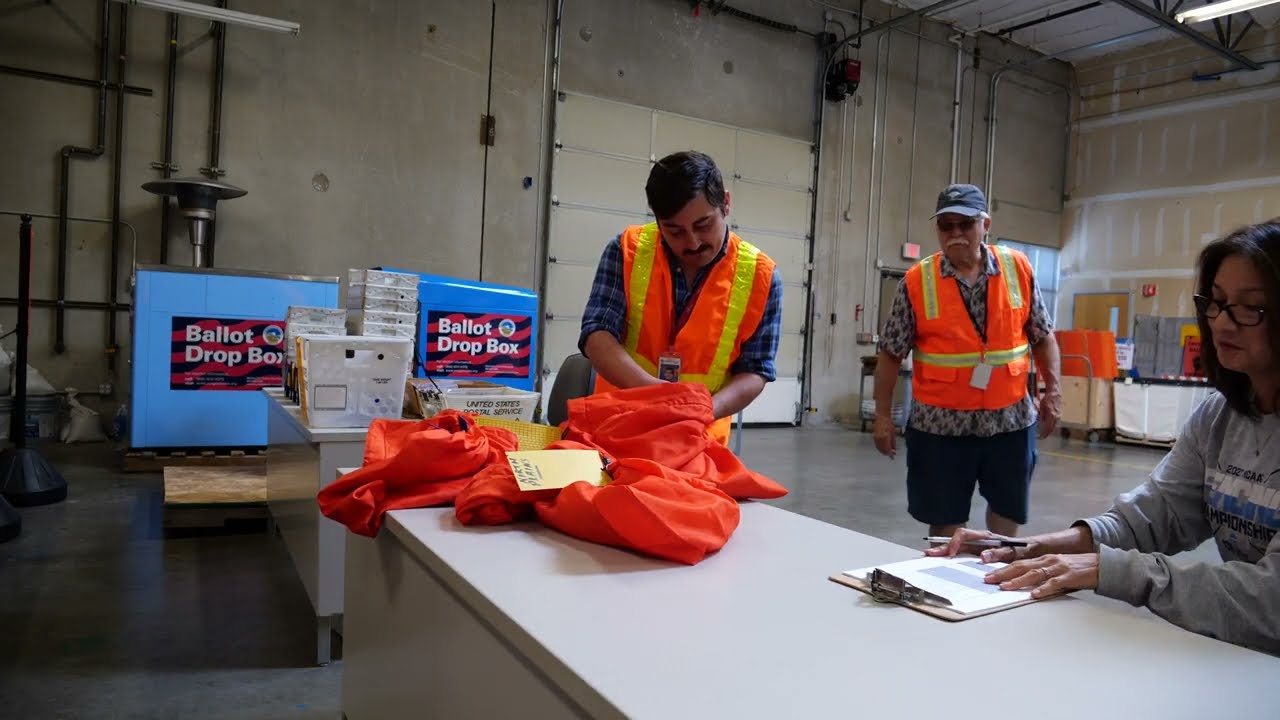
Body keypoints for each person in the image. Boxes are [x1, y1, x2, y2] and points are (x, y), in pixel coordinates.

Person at [927, 219, 1280, 656]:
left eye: (1250, 309)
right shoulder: (1218, 416)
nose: (1222, 325)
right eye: (1217, 303)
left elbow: (1271, 602)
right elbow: (1153, 516)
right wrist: (1033, 547)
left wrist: (1109, 570)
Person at [873, 184, 1062, 539]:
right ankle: (944, 578)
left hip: (1010, 421)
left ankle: (997, 575)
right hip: (940, 427)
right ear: (938, 230)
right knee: (944, 521)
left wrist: (1054, 392)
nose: (956, 233)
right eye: (947, 226)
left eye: (966, 224)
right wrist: (883, 417)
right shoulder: (917, 281)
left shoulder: (1017, 268)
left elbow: (1042, 335)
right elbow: (890, 354)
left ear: (985, 224)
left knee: (1008, 512)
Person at [578, 150, 783, 446]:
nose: (693, 242)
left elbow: (756, 370)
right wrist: (656, 395)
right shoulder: (626, 250)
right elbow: (596, 335)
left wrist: (702, 411)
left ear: (725, 203)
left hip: (700, 439)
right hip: (616, 429)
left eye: (703, 225)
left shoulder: (761, 276)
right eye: (675, 231)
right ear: (659, 221)